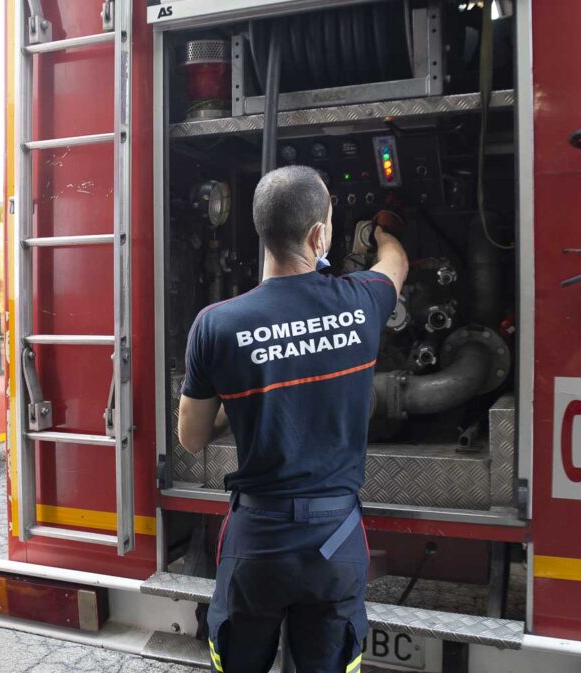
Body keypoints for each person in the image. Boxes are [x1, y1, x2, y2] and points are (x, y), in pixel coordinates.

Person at [178, 165, 408, 673]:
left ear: (261, 231)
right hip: (335, 538)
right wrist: (384, 235)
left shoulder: (216, 325)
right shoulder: (362, 301)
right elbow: (396, 266)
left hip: (257, 538)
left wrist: (245, 400)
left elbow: (191, 437)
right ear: (319, 234)